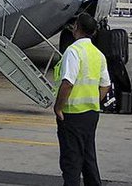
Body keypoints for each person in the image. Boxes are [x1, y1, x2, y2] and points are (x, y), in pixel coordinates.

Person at [54, 13, 111, 186]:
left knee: (71, 162)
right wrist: (93, 101)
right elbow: (106, 85)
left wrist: (58, 108)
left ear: (77, 28)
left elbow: (67, 83)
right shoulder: (98, 54)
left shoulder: (73, 51)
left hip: (72, 115)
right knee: (88, 159)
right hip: (91, 114)